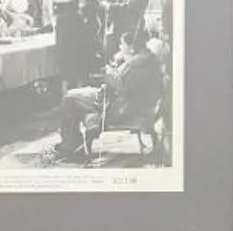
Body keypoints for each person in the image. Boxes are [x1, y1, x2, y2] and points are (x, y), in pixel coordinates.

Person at [49, 34, 165, 162]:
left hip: (118, 106)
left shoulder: (138, 65)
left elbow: (123, 88)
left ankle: (71, 144)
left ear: (132, 47)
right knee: (76, 97)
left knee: (70, 98)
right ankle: (84, 132)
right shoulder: (146, 61)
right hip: (119, 101)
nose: (120, 46)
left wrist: (109, 73)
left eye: (122, 44)